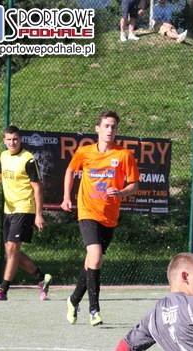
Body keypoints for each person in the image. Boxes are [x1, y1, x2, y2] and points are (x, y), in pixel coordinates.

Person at [61, 111, 139, 326]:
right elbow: (70, 171)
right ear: (97, 128)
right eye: (106, 126)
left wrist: (121, 192)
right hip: (87, 211)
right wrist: (66, 197)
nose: (110, 130)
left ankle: (73, 300)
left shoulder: (124, 155)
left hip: (109, 216)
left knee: (92, 261)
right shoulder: (84, 152)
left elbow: (134, 184)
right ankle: (94, 309)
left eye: (113, 126)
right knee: (95, 256)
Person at [0, 125, 53, 302]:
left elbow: (37, 188)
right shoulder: (3, 156)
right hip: (9, 210)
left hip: (24, 208)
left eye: (15, 139)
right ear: (4, 141)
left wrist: (38, 214)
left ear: (20, 140)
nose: (12, 142)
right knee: (12, 253)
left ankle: (3, 289)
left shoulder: (28, 159)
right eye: (9, 140)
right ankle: (41, 278)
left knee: (13, 250)